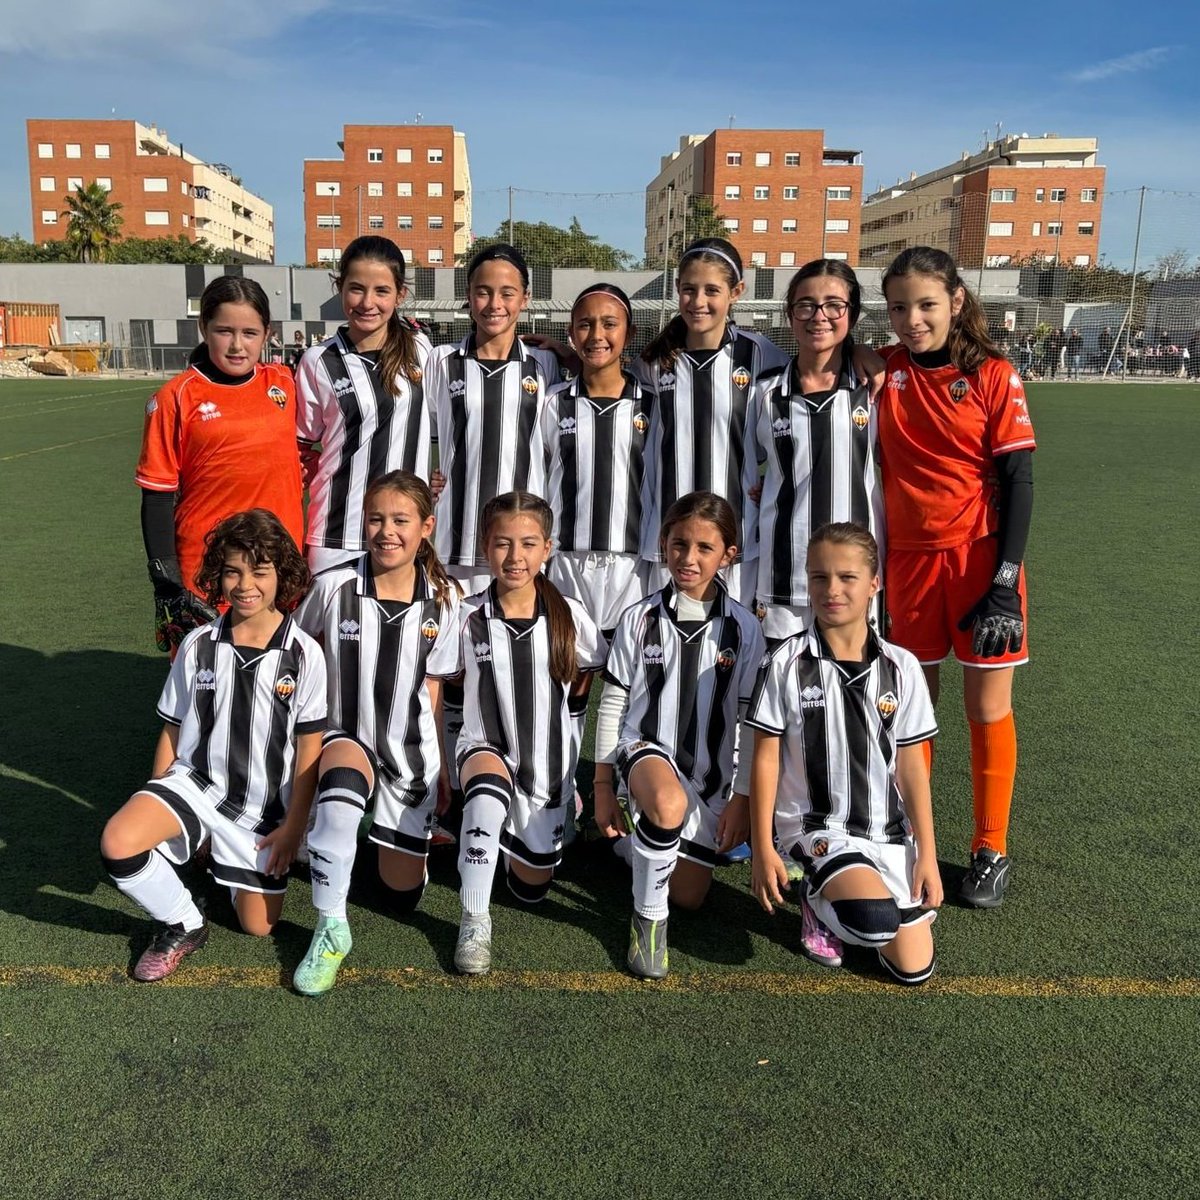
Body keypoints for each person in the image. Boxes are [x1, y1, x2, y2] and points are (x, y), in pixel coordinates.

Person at [100, 510, 325, 981]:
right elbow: (172, 729)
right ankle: (184, 921)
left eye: (259, 572)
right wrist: (156, 795)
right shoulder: (198, 644)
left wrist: (293, 829)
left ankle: (217, 862)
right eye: (232, 572)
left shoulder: (305, 654)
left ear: (282, 575)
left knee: (258, 927)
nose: (245, 585)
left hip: (261, 811)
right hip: (194, 786)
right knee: (119, 841)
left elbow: (309, 751)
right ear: (217, 576)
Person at [878, 246, 1036, 908]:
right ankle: (910, 840)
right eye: (898, 308)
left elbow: (1020, 479)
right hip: (907, 564)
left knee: (986, 709)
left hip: (979, 564)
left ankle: (990, 848)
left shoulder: (994, 375)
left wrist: (1005, 581)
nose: (912, 320)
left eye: (926, 305)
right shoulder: (883, 370)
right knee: (910, 709)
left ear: (957, 301)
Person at [291, 471, 461, 995]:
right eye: (376, 519)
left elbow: (434, 686)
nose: (387, 531)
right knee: (339, 803)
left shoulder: (446, 598)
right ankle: (330, 929)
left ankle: (379, 843)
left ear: (426, 527)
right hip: (346, 735)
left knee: (399, 895)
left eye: (400, 521)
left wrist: (443, 770)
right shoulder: (333, 585)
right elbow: (298, 650)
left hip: (408, 750)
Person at [748, 523, 941, 982]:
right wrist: (761, 848)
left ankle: (852, 899)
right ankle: (816, 899)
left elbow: (911, 767)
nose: (831, 589)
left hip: (886, 832)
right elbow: (765, 759)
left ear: (874, 583)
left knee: (914, 970)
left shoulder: (902, 667)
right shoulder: (785, 662)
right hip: (816, 827)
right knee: (873, 922)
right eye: (819, 577)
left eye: (847, 577)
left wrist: (928, 854)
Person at [593, 491, 765, 979]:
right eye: (678, 544)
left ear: (728, 555)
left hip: (709, 782)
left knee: (689, 896)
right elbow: (613, 704)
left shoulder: (744, 629)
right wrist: (602, 785)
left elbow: (751, 722)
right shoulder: (639, 617)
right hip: (644, 755)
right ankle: (648, 923)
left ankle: (632, 846)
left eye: (704, 548)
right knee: (666, 805)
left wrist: (742, 799)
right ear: (663, 544)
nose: (688, 558)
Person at [452, 492, 606, 975]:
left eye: (528, 544)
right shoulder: (466, 615)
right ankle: (474, 920)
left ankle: (527, 831)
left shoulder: (569, 614)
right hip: (486, 746)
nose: (514, 556)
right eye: (502, 543)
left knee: (529, 889)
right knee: (484, 797)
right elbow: (449, 682)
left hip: (546, 767)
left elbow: (586, 674)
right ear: (485, 546)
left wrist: (569, 739)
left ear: (548, 548)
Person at [135, 278, 305, 655]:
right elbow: (157, 495)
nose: (237, 345)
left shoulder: (284, 382)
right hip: (210, 567)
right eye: (224, 331)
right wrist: (166, 580)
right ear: (204, 327)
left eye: (250, 333)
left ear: (267, 334)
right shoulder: (175, 398)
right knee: (206, 677)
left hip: (280, 561)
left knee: (276, 674)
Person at [634, 238, 790, 605]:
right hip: (670, 535)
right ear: (677, 289)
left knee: (731, 633)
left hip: (735, 535)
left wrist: (775, 478)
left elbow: (804, 399)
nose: (698, 301)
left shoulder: (760, 354)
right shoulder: (654, 361)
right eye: (689, 289)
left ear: (736, 292)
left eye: (712, 290)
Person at [749, 259, 885, 645]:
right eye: (806, 305)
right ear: (790, 313)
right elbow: (742, 466)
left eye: (834, 305)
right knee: (780, 675)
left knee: (852, 676)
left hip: (856, 572)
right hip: (785, 571)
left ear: (852, 314)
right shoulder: (764, 393)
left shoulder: (875, 386)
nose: (819, 316)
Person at [296, 236, 433, 575]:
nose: (367, 302)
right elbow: (300, 449)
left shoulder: (421, 349)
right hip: (338, 532)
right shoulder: (318, 361)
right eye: (356, 289)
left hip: (404, 534)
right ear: (339, 288)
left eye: (381, 291)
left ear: (400, 295)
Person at [542, 282, 649, 641]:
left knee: (629, 666)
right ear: (571, 333)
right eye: (585, 324)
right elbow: (536, 474)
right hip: (567, 558)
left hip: (633, 562)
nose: (597, 335)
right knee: (567, 663)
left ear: (629, 333)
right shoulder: (553, 402)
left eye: (609, 324)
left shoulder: (653, 405)